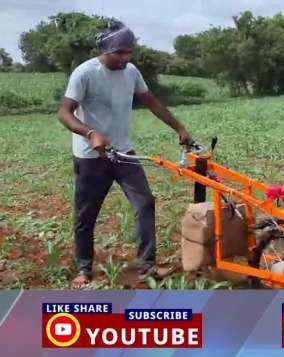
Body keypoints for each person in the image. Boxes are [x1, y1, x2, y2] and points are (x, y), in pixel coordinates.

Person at [57, 21, 191, 287]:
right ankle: (84, 268)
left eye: (129, 52)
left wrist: (179, 127)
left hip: (124, 153)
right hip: (90, 156)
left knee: (145, 203)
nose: (125, 58)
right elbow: (64, 112)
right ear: (105, 50)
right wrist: (90, 133)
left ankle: (146, 267)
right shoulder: (84, 73)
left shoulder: (131, 71)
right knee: (86, 214)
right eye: (120, 53)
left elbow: (150, 101)